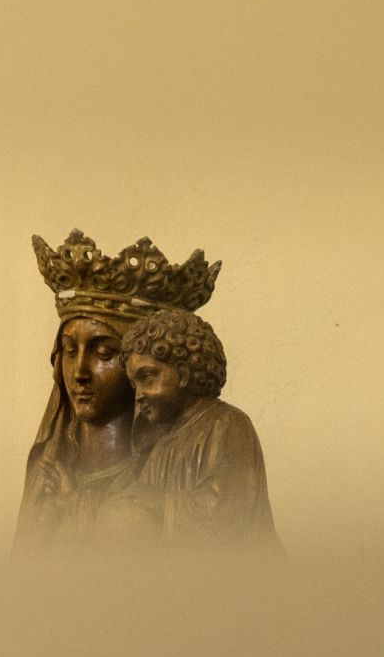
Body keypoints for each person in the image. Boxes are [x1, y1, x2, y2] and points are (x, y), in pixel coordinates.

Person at [14, 228, 223, 554]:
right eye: (70, 350)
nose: (80, 373)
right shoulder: (49, 479)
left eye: (104, 353)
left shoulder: (181, 463)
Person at [120, 307, 280, 550]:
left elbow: (227, 514)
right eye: (134, 385)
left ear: (183, 374)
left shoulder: (226, 424)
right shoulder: (161, 446)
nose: (139, 395)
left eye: (148, 378)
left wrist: (156, 505)